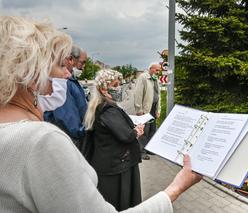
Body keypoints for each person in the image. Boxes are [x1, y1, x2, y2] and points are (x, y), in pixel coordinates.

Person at [0, 16, 202, 213]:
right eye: (60, 65)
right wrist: (175, 189)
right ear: (30, 72)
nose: (68, 74)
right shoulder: (41, 141)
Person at [84, 69, 144, 211]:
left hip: (110, 163)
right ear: (104, 89)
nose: (118, 87)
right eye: (115, 84)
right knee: (120, 203)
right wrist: (136, 131)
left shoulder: (99, 105)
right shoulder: (109, 109)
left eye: (119, 84)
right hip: (117, 166)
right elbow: (126, 136)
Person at [44, 45, 88, 147]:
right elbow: (69, 121)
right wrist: (86, 131)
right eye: (82, 62)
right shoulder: (63, 82)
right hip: (71, 141)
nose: (83, 66)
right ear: (71, 59)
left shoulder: (70, 81)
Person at [134, 62, 161, 160]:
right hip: (145, 108)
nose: (158, 72)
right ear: (151, 68)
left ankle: (149, 148)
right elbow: (138, 94)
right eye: (157, 70)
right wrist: (139, 109)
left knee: (152, 130)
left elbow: (159, 95)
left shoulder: (155, 78)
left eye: (159, 70)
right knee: (144, 130)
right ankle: (141, 151)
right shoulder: (143, 77)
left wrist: (158, 109)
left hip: (153, 108)